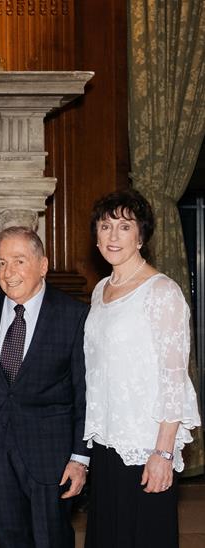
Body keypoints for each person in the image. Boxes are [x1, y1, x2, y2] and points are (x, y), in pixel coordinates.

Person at [83, 189, 200, 547]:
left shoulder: (162, 291)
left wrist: (163, 453)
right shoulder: (101, 289)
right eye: (105, 226)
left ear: (141, 237)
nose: (113, 236)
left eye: (124, 226)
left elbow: (174, 380)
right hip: (105, 443)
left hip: (144, 447)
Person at [0, 226, 89, 548]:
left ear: (43, 265)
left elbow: (84, 393)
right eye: (2, 263)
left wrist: (80, 458)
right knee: (9, 539)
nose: (9, 273)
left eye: (19, 261)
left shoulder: (73, 315)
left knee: (52, 539)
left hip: (52, 456)